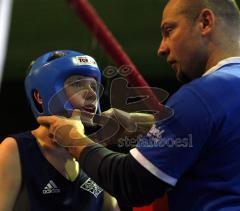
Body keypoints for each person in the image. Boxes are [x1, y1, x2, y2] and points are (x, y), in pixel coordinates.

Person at [36, 0, 240, 210]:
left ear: (205, 22)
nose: (161, 48)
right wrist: (140, 125)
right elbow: (217, 131)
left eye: (169, 30)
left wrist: (74, 139)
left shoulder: (202, 95)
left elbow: (131, 182)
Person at [0, 50, 122, 211]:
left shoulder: (94, 153)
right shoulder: (14, 150)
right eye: (77, 84)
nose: (92, 94)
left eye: (94, 85)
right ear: (40, 96)